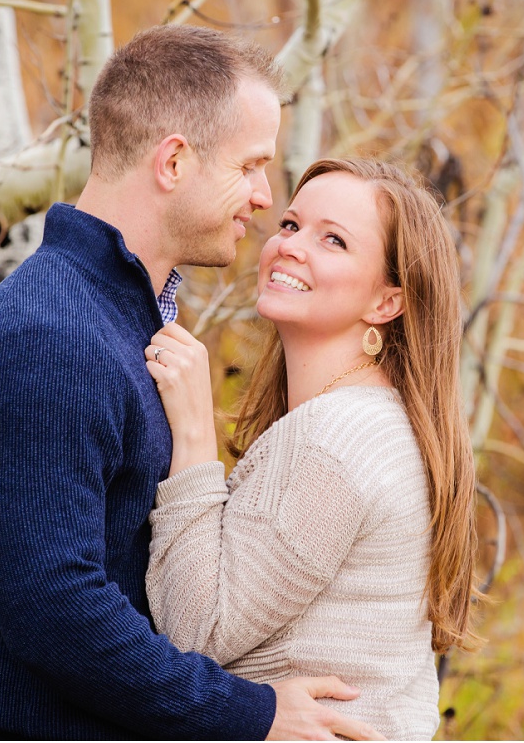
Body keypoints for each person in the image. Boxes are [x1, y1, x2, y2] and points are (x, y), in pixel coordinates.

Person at [0, 26, 382, 740]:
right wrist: (253, 713)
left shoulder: (121, 320)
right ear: (174, 160)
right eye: (250, 166)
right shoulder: (50, 337)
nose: (265, 197)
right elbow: (53, 606)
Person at [144, 157, 481, 740]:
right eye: (292, 225)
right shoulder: (372, 421)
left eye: (334, 240)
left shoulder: (334, 442)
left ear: (386, 302)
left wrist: (195, 436)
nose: (292, 246)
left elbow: (195, 629)